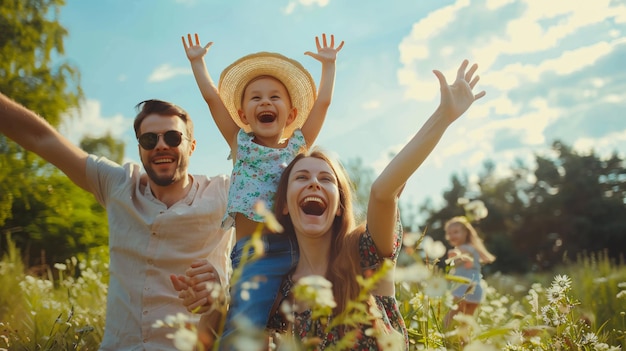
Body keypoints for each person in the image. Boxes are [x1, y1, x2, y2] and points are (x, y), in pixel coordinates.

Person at [263, 59, 486, 350]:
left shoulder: (365, 254)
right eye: (301, 177)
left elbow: (383, 192)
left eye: (326, 179)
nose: (314, 183)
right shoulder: (280, 290)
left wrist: (443, 116)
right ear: (284, 206)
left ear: (340, 205)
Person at [0, 95, 234, 350]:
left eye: (173, 137)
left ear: (191, 146)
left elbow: (271, 174)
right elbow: (40, 137)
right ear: (140, 148)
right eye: (149, 139)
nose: (161, 145)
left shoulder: (225, 193)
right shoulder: (118, 184)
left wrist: (220, 294)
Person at [178, 33, 344, 341]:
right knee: (245, 325)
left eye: (274, 97)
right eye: (255, 98)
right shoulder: (240, 144)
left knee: (305, 323)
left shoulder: (297, 147)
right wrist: (198, 62)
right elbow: (213, 99)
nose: (265, 101)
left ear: (291, 115)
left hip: (297, 250)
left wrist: (329, 66)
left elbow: (323, 103)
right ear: (243, 116)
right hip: (252, 257)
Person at [443, 216, 496, 327]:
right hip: (476, 290)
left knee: (447, 323)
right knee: (465, 327)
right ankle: (463, 343)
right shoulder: (472, 249)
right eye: (449, 233)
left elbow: (458, 255)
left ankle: (445, 342)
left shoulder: (464, 248)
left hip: (463, 290)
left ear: (466, 233)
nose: (452, 235)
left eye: (456, 232)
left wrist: (453, 254)